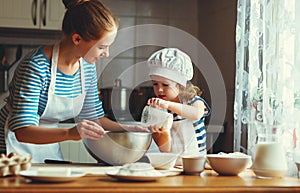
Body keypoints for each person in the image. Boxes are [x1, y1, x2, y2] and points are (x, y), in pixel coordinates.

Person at [0, 0, 147, 163]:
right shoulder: (36, 67)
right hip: (10, 150)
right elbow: (23, 131)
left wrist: (128, 128)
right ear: (77, 39)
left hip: (47, 145)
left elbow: (93, 117)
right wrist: (70, 133)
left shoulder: (86, 67)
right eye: (102, 47)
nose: (106, 53)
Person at [146, 48, 211, 163]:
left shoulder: (194, 102)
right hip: (173, 163)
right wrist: (160, 134)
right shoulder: (162, 110)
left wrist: (167, 104)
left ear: (180, 85)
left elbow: (196, 114)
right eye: (155, 84)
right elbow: (165, 149)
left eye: (165, 85)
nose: (159, 89)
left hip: (196, 162)